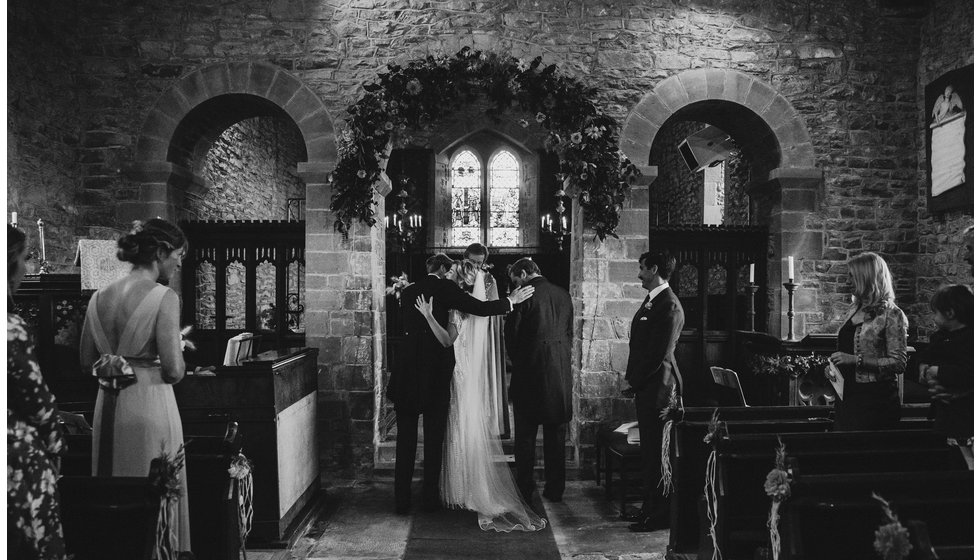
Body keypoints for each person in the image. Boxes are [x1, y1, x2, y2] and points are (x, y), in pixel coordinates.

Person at [388, 253, 534, 515]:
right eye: (450, 269)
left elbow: (405, 330)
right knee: (434, 440)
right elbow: (478, 308)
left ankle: (401, 501)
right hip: (434, 375)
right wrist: (509, 302)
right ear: (444, 268)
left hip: (406, 373)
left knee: (405, 441)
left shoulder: (409, 292)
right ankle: (430, 499)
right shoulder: (445, 288)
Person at [79, 218, 191, 551]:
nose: (180, 262)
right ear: (161, 252)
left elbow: (87, 362)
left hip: (108, 406)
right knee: (154, 492)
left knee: (113, 495)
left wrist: (117, 358)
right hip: (148, 404)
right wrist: (174, 355)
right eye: (178, 254)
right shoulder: (164, 297)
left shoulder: (99, 296)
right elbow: (173, 371)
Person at [8, 224, 68, 559]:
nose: (28, 268)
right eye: (25, 259)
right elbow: (37, 402)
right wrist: (56, 445)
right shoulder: (9, 329)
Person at [624, 250, 685, 532]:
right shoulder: (652, 301)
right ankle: (650, 507)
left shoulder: (669, 305)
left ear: (654, 269)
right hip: (648, 387)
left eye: (641, 268)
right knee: (649, 452)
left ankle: (659, 514)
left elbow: (657, 354)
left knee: (659, 453)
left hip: (660, 388)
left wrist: (633, 381)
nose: (638, 273)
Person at [505, 258, 573, 505]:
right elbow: (568, 332)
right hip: (559, 373)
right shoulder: (563, 294)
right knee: (556, 436)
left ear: (523, 273)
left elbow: (511, 335)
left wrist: (519, 360)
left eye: (516, 280)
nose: (515, 286)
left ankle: (524, 489)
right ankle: (556, 489)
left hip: (529, 373)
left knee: (525, 438)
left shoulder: (524, 296)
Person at [827, 252, 908, 431]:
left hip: (875, 400)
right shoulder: (853, 310)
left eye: (852, 276)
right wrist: (834, 369)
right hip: (847, 397)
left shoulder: (892, 314)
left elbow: (899, 363)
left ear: (867, 277)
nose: (847, 281)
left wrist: (856, 360)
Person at [464, 242, 509, 438]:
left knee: (482, 374)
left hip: (483, 333)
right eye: (472, 262)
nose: (476, 266)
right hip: (460, 331)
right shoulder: (457, 276)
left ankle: (485, 419)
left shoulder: (489, 279)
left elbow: (494, 311)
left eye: (479, 263)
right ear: (465, 258)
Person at [918, 285, 973, 441]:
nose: (933, 318)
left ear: (950, 313)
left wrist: (938, 371)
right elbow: (926, 356)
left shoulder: (971, 339)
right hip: (943, 410)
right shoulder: (939, 337)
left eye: (935, 312)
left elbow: (970, 371)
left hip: (966, 411)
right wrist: (924, 369)